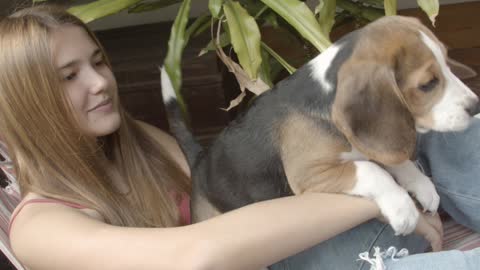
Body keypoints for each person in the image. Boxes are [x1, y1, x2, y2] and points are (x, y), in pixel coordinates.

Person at [0, 4, 478, 270]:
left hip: (312, 233)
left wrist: (386, 175)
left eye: (98, 61)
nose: (100, 82)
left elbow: (242, 190)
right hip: (301, 259)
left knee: (439, 135)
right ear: (27, 100)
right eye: (69, 76)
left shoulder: (137, 142)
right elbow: (196, 256)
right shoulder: (38, 227)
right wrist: (379, 197)